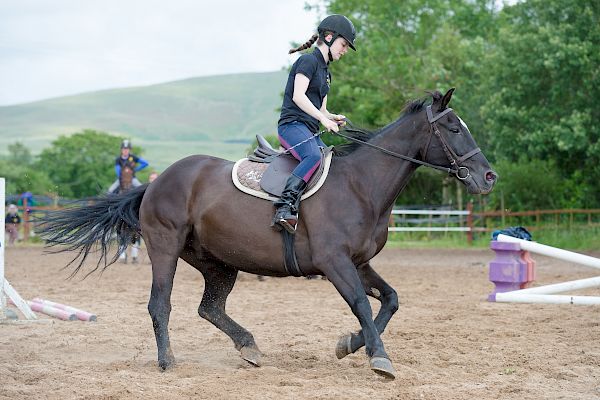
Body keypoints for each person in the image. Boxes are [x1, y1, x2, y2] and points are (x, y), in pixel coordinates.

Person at [272, 14, 356, 233]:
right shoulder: (307, 61)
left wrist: (332, 117)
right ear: (329, 37)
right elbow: (299, 97)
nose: (344, 50)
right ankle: (284, 207)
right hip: (291, 126)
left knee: (331, 161)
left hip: (308, 129)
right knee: (313, 157)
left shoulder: (326, 74)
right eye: (343, 44)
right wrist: (322, 120)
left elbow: (321, 110)